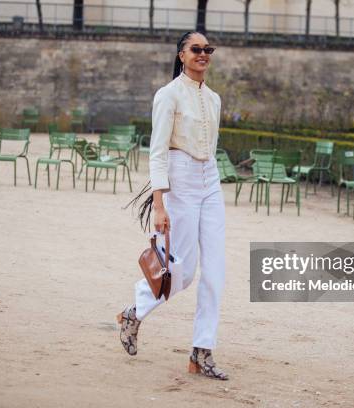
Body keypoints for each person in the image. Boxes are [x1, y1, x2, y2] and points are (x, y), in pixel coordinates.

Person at [117, 31, 228, 381]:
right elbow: (158, 151)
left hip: (210, 179)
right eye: (196, 49)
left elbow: (210, 148)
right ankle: (135, 310)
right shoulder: (168, 95)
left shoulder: (214, 99)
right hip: (179, 179)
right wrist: (160, 205)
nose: (203, 54)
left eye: (207, 49)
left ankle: (201, 350)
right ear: (181, 55)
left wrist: (209, 177)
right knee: (182, 271)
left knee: (215, 271)